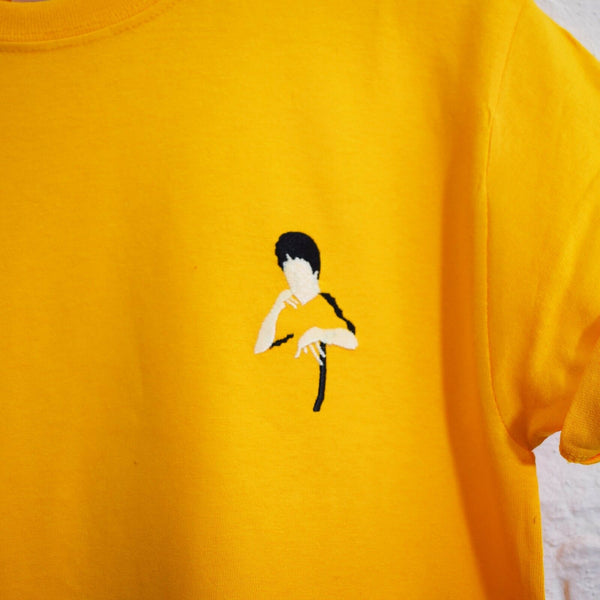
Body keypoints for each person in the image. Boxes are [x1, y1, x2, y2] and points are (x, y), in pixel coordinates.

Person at [254, 231, 358, 410]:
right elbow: (259, 348)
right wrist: (276, 308)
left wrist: (321, 333)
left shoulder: (322, 304)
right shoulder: (287, 305)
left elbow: (351, 340)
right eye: (289, 273)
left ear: (314, 272)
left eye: (299, 273)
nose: (294, 280)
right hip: (272, 398)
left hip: (305, 401)